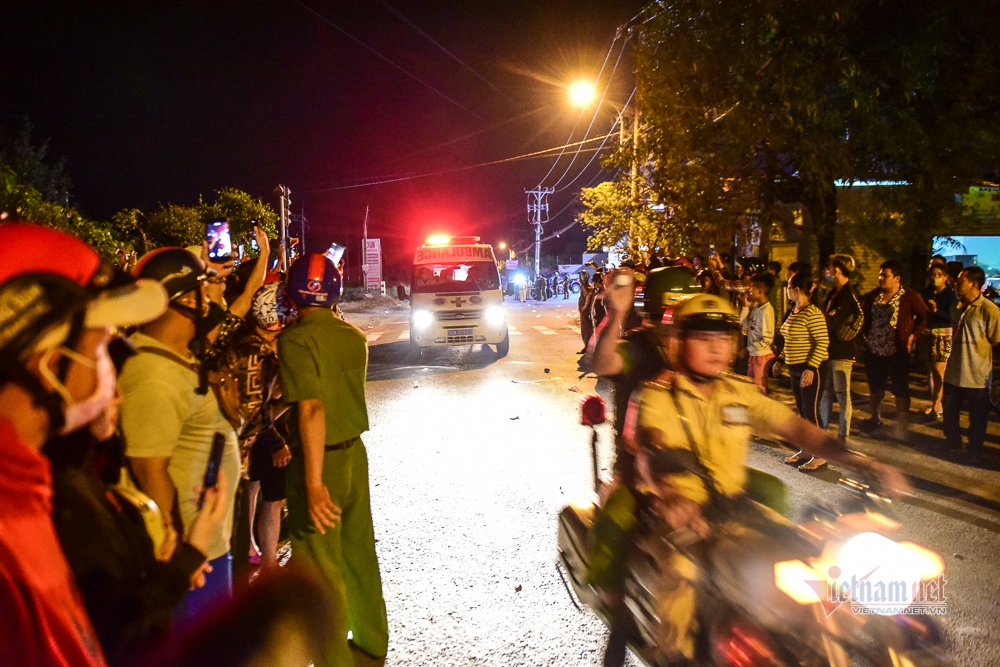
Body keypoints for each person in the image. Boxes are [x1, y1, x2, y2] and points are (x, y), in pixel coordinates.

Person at [623, 293, 908, 662]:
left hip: (732, 510)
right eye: (704, 338)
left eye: (724, 338)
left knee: (810, 555)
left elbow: (798, 429)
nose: (716, 348)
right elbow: (650, 447)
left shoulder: (739, 393)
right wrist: (671, 496)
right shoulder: (659, 396)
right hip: (677, 517)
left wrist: (862, 462)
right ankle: (672, 651)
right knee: (683, 573)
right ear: (678, 343)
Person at [0, 223, 171, 667]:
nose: (110, 366)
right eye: (100, 344)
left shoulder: (26, 490)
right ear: (48, 360)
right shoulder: (8, 530)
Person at [44, 339, 231, 666]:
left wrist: (169, 559)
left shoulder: (87, 470)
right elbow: (120, 629)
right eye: (107, 382)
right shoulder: (69, 490)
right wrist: (191, 554)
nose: (119, 397)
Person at [121, 247, 242, 625]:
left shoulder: (175, 355)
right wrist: (179, 553)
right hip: (191, 551)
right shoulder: (153, 374)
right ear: (187, 299)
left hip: (204, 539)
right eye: (205, 290)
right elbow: (148, 470)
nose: (213, 297)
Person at [278, 253, 388, 667]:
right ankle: (373, 641)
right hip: (354, 456)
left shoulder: (294, 339)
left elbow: (311, 410)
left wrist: (311, 482)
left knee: (321, 568)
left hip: (318, 459)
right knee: (359, 553)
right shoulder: (352, 336)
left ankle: (332, 660)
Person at [220, 282, 297, 573]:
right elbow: (254, 407)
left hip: (244, 445)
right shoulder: (255, 353)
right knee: (259, 502)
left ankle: (255, 558)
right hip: (244, 445)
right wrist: (276, 442)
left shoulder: (252, 344)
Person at [859, 260, 929, 436]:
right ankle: (875, 417)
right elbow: (864, 317)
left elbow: (924, 316)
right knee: (876, 387)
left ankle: (901, 424)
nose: (881, 278)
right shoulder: (874, 295)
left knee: (900, 387)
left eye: (885, 275)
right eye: (880, 274)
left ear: (897, 278)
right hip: (874, 349)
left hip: (897, 350)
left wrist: (912, 336)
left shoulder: (909, 296)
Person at [941, 266, 1000, 464]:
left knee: (977, 418)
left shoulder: (989, 310)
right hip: (953, 373)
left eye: (961, 281)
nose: (957, 285)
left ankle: (974, 451)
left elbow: (996, 340)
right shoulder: (956, 307)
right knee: (949, 412)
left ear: (973, 284)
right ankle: (954, 445)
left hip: (977, 376)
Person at [773, 272, 830, 471]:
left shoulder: (813, 313)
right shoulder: (795, 310)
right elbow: (789, 340)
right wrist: (780, 359)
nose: (787, 290)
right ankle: (806, 449)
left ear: (797, 289)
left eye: (788, 286)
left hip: (811, 369)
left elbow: (823, 342)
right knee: (801, 411)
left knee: (811, 411)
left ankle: (820, 454)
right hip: (795, 368)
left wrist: (811, 368)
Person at [818, 254, 864, 442]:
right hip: (829, 350)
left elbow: (831, 321)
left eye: (829, 267)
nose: (826, 271)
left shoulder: (847, 295)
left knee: (842, 394)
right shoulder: (833, 293)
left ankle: (842, 435)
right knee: (826, 392)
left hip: (842, 351)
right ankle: (823, 431)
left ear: (837, 270)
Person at [920, 263, 958, 420]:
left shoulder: (950, 295)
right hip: (928, 334)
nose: (935, 278)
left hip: (943, 335)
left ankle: (937, 406)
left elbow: (951, 318)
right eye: (932, 275)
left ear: (946, 277)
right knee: (930, 371)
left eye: (938, 274)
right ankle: (935, 403)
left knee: (938, 371)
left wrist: (937, 311)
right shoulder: (927, 292)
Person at [740, 272, 775, 393]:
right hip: (754, 354)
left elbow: (768, 339)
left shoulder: (767, 311)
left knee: (759, 388)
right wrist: (745, 307)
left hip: (762, 356)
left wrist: (749, 348)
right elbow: (744, 326)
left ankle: (762, 411)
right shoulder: (756, 308)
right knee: (751, 387)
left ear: (760, 291)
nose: (750, 290)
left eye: (753, 287)